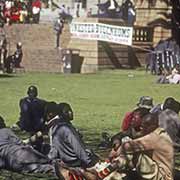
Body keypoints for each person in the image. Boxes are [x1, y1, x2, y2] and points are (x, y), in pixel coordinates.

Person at [109, 113, 174, 180]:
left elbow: (128, 146)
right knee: (131, 148)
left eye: (143, 126)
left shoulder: (154, 137)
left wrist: (115, 151)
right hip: (161, 171)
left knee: (135, 152)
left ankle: (110, 168)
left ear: (152, 126)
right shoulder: (160, 133)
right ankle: (115, 167)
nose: (141, 128)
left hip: (162, 176)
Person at [44, 102, 99, 168]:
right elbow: (78, 148)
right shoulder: (67, 129)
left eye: (70, 110)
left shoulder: (55, 127)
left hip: (64, 161)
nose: (70, 113)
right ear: (61, 115)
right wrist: (89, 162)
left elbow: (54, 150)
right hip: (75, 162)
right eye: (66, 112)